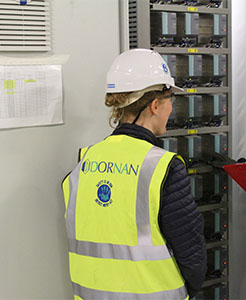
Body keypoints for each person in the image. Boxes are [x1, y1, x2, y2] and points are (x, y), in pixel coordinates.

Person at [62, 49, 207, 300]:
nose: (171, 109)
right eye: (170, 99)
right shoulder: (163, 167)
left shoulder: (83, 161)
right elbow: (191, 252)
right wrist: (192, 288)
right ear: (154, 105)